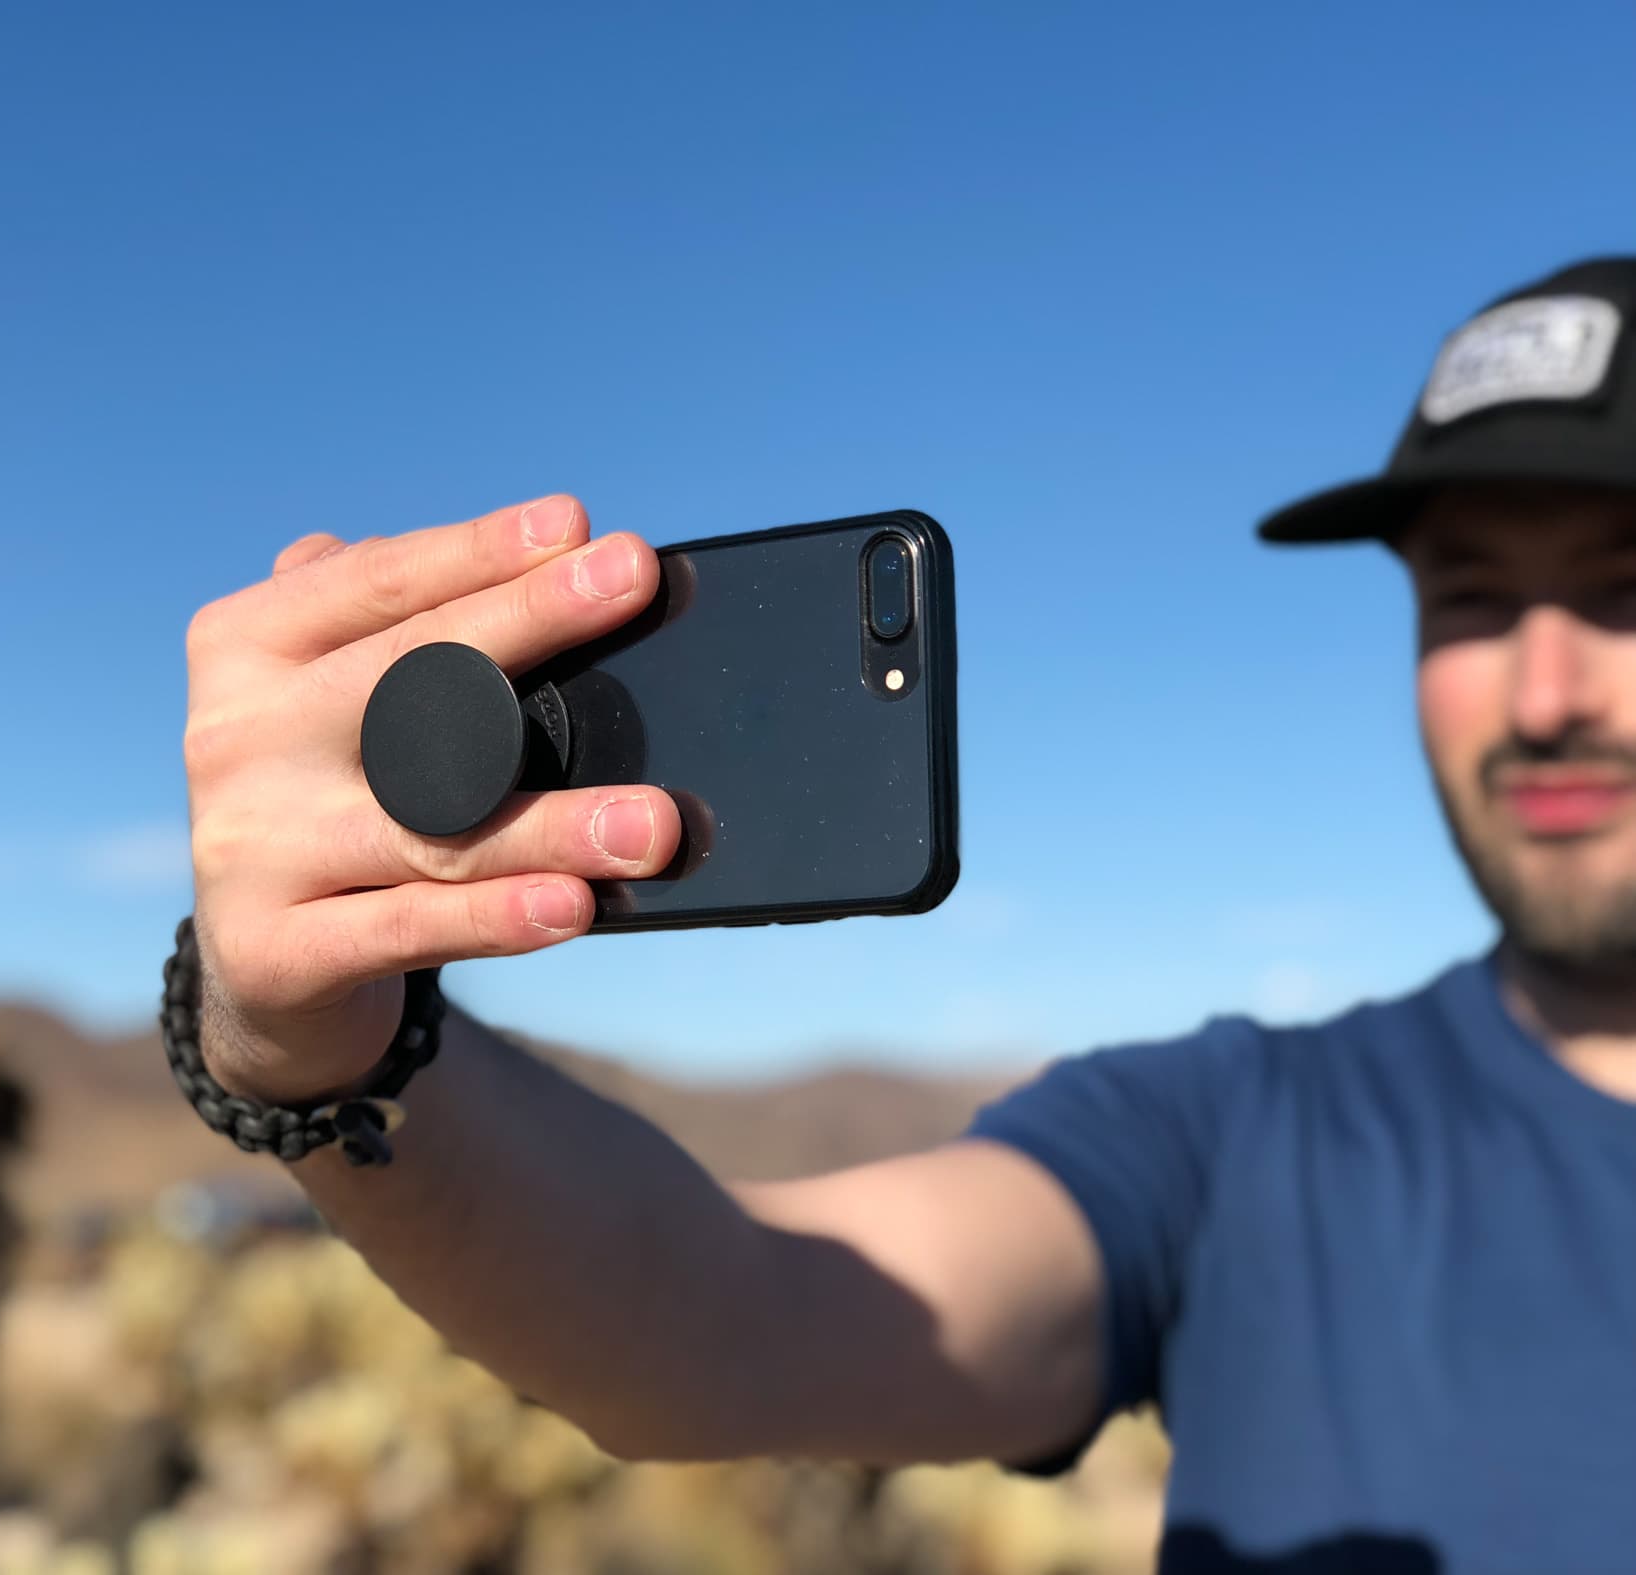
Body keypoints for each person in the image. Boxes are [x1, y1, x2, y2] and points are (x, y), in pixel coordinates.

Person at [179, 256, 1636, 1573]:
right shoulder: (1245, 1134)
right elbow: (719, 1323)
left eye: (1623, 589)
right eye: (1474, 599)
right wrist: (327, 1037)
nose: (1545, 692)